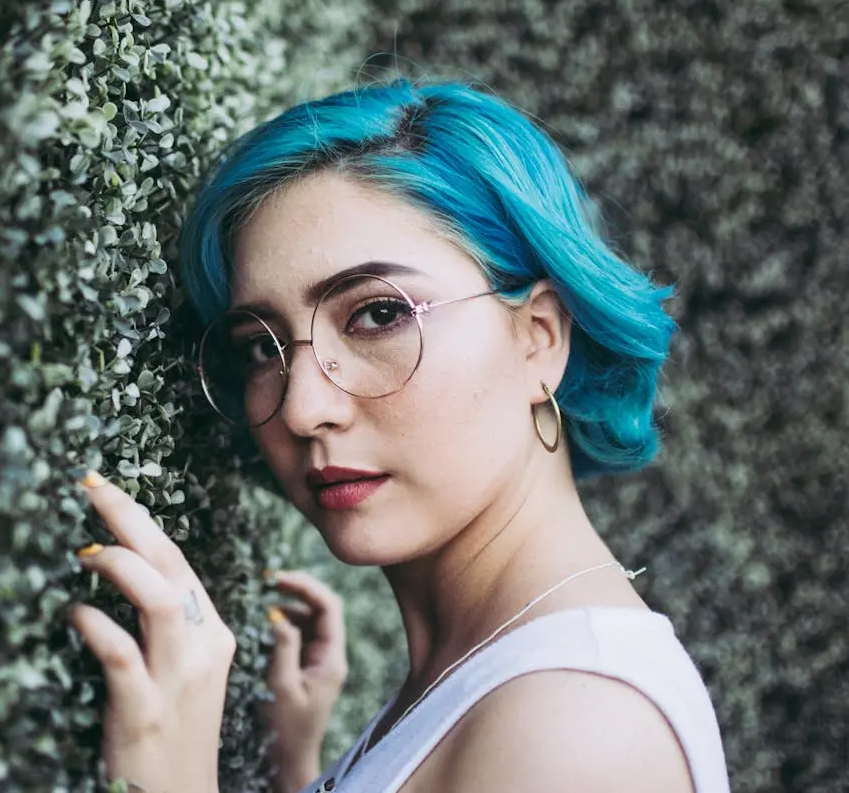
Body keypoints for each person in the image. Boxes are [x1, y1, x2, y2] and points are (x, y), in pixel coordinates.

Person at [67, 79, 730, 793]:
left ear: (539, 337)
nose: (300, 408)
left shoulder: (578, 731)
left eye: (378, 314)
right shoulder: (489, 675)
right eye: (261, 347)